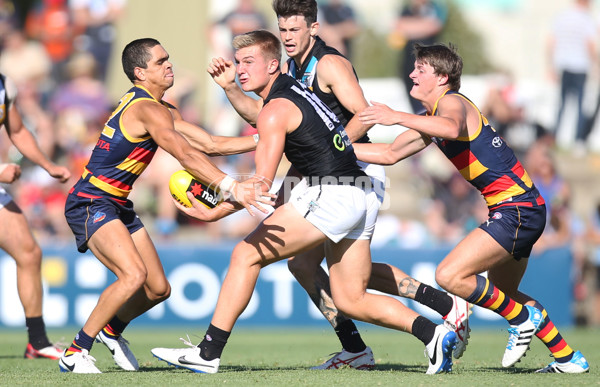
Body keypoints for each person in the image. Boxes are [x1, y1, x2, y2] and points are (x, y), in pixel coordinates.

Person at [151, 29, 460, 376]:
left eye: (248, 62)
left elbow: (261, 186)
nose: (240, 69)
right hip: (357, 190)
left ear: (273, 66)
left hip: (333, 193)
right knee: (350, 298)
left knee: (245, 255)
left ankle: (208, 353)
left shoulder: (276, 109)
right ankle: (432, 333)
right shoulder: (294, 92)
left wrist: (217, 209)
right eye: (238, 62)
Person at [355, 42, 590, 374]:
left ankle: (522, 319)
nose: (411, 74)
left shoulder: (452, 104)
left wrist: (394, 116)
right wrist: (335, 148)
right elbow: (389, 154)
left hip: (516, 208)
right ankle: (568, 358)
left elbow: (451, 128)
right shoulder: (433, 117)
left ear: (442, 77)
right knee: (505, 293)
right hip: (523, 208)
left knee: (449, 275)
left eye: (420, 69)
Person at [58, 37, 271, 374]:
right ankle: (75, 351)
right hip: (91, 200)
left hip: (116, 203)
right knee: (133, 276)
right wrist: (231, 186)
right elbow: (184, 154)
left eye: (168, 58)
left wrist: (270, 137)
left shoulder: (162, 108)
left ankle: (112, 331)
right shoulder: (146, 109)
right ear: (140, 73)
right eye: (160, 62)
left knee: (158, 289)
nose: (169, 64)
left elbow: (210, 144)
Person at [0, 73, 71, 359]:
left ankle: (38, 342)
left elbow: (17, 131)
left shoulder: (3, 85)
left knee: (28, 253)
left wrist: (46, 165)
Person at [547, 0, 597, 153]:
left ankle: (554, 138)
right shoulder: (586, 19)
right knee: (581, 106)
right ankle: (578, 142)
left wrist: (550, 66)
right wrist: (596, 65)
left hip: (564, 65)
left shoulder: (562, 17)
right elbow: (589, 44)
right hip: (580, 66)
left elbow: (551, 42)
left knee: (562, 105)